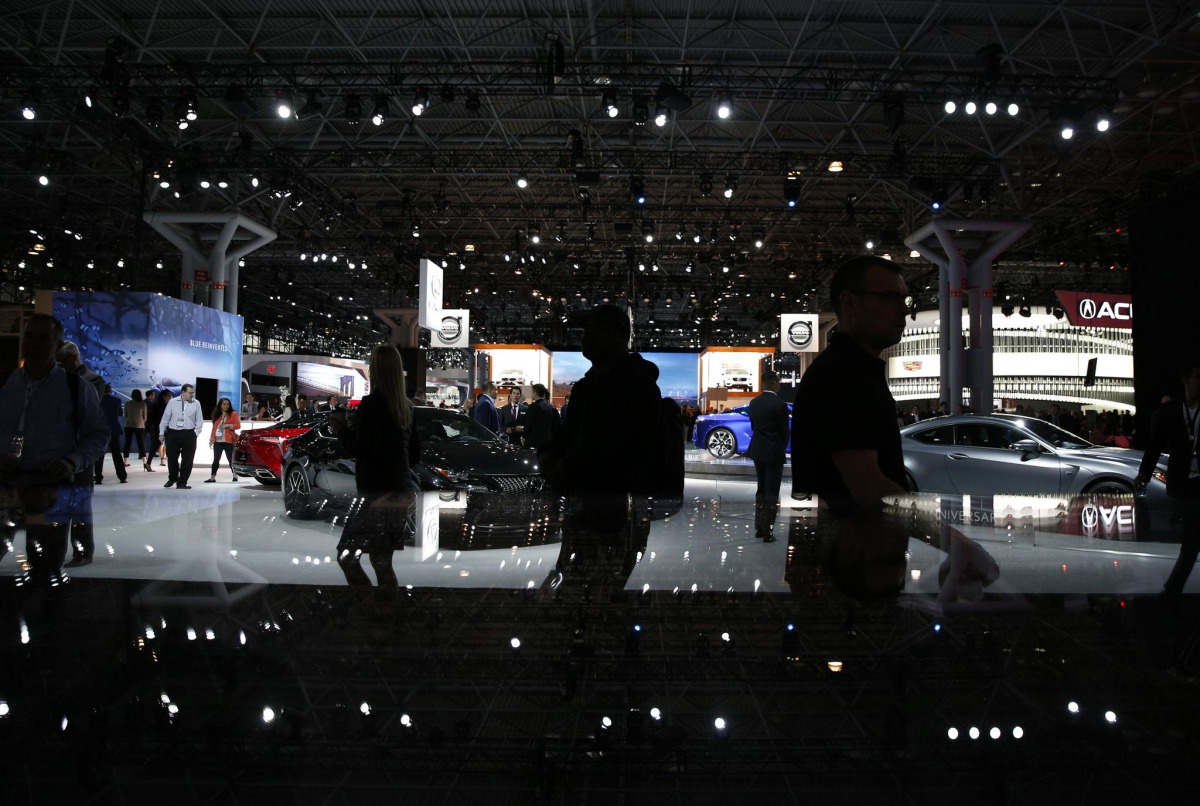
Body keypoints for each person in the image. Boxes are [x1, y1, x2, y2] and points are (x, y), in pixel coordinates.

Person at [792, 255, 911, 599]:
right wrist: (952, 539)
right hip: (857, 552)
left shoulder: (853, 371)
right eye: (889, 298)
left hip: (855, 553)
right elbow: (868, 487)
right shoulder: (842, 375)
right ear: (849, 302)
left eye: (904, 300)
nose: (903, 311)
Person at [0, 314, 109, 576]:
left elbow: (98, 435)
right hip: (4, 486)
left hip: (51, 489)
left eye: (43, 339)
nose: (34, 344)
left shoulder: (76, 388)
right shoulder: (5, 384)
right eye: (29, 337)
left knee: (45, 568)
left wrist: (71, 462)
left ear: (57, 346)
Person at [329, 344, 421, 608]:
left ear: (377, 370)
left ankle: (372, 609)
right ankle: (388, 614)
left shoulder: (372, 405)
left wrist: (341, 430)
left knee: (348, 556)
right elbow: (414, 456)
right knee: (382, 560)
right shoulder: (406, 408)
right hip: (400, 491)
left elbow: (364, 449)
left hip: (377, 494)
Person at [1136, 357, 1200, 604]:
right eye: (1197, 377)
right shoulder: (1170, 410)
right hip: (1184, 480)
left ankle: (1172, 591)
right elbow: (1155, 444)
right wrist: (1144, 473)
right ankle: (1172, 591)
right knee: (1191, 538)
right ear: (1186, 380)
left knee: (1192, 539)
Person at [57, 341, 107, 483]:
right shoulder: (58, 378)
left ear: (74, 358)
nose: (60, 366)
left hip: (80, 444)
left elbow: (86, 411)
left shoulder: (93, 380)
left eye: (62, 362)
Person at [748, 370, 790, 541]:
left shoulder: (754, 403)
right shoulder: (780, 404)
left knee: (761, 489)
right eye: (778, 382)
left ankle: (759, 528)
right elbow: (784, 432)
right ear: (773, 383)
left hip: (758, 450)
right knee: (772, 492)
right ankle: (768, 531)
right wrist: (781, 446)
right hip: (774, 452)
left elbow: (753, 426)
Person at [159, 383, 204, 489]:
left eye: (193, 392)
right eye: (190, 393)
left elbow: (199, 420)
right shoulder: (172, 402)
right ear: (183, 392)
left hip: (189, 434)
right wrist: (161, 433)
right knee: (172, 458)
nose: (192, 395)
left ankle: (182, 482)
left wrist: (195, 434)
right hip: (173, 433)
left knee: (188, 460)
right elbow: (165, 418)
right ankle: (172, 478)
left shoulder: (196, 403)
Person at [206, 397, 241, 483]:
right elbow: (214, 428)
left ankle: (235, 475)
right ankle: (212, 477)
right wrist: (212, 439)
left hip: (229, 441)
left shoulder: (233, 413)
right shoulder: (216, 414)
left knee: (230, 460)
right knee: (216, 460)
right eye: (224, 404)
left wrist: (228, 425)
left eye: (228, 404)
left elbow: (238, 425)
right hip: (218, 441)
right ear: (220, 405)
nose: (226, 406)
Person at [99, 384, 128, 484]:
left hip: (101, 429)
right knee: (116, 454)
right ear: (110, 390)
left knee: (100, 454)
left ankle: (98, 477)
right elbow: (120, 413)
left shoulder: (98, 400)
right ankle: (122, 476)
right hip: (114, 429)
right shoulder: (116, 400)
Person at [522, 383, 561, 451]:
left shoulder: (533, 407)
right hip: (548, 442)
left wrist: (523, 436)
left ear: (535, 393)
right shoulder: (552, 407)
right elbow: (557, 425)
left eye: (532, 392)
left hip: (534, 442)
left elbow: (528, 424)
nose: (531, 394)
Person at [143, 389, 170, 472]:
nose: (170, 397)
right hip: (160, 428)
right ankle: (149, 463)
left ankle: (148, 463)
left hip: (162, 428)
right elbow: (152, 417)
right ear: (164, 396)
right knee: (160, 445)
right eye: (168, 395)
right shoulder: (160, 406)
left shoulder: (161, 405)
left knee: (159, 445)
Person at [124, 388, 148, 465]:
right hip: (139, 425)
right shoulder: (143, 404)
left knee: (128, 443)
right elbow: (145, 416)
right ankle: (145, 461)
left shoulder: (127, 403)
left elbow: (126, 414)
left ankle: (125, 461)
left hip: (128, 425)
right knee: (141, 443)